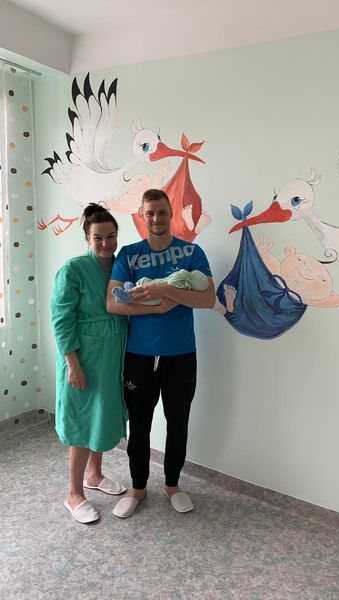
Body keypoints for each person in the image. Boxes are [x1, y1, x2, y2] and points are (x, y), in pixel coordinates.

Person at [106, 189, 215, 518]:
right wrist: (159, 306)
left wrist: (165, 290)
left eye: (162, 212)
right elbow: (113, 303)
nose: (156, 218)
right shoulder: (128, 254)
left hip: (181, 354)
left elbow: (207, 298)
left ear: (171, 214)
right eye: (150, 212)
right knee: (139, 425)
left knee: (178, 422)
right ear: (142, 215)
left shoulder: (191, 252)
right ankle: (138, 488)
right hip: (139, 355)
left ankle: (172, 485)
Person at [51, 204, 128, 524]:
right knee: (82, 422)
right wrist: (73, 364)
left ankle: (94, 475)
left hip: (113, 354)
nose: (106, 243)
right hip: (83, 356)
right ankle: (74, 493)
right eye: (98, 237)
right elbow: (61, 319)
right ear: (87, 238)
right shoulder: (73, 269)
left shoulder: (120, 266)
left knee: (101, 416)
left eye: (111, 236)